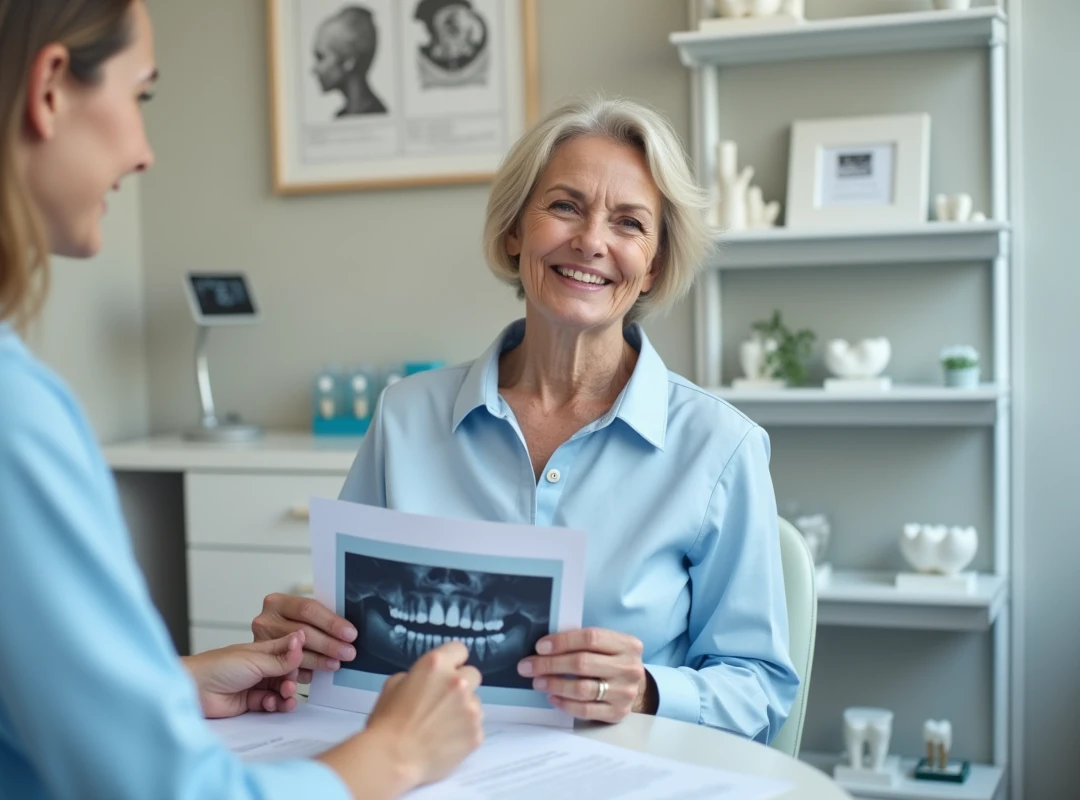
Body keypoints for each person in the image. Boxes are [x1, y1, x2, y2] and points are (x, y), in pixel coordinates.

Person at [0, 2, 482, 798]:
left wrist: (162, 686)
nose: (144, 152)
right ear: (51, 88)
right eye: (142, 97)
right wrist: (397, 753)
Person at [252, 97, 800, 743]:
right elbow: (345, 644)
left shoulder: (720, 448)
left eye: (628, 223)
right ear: (515, 230)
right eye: (565, 206)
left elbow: (760, 690)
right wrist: (302, 641)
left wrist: (650, 689)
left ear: (652, 264)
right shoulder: (404, 417)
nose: (591, 241)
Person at [312, 6, 388, 118]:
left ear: (349, 61)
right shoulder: (342, 117)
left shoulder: (375, 116)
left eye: (321, 57)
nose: (314, 69)